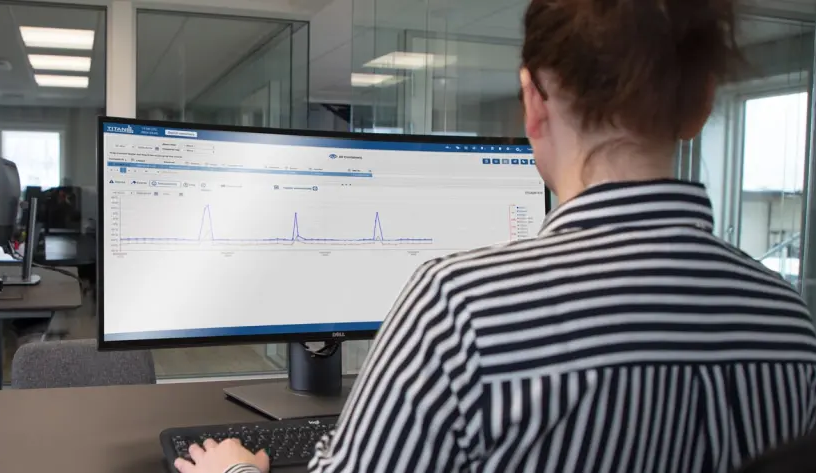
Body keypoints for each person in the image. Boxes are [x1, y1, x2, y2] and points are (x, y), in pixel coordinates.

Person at [174, 0, 816, 472]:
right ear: (701, 104)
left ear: (533, 102)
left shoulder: (461, 309)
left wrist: (236, 472)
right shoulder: (791, 327)